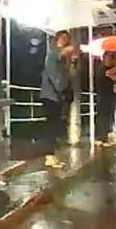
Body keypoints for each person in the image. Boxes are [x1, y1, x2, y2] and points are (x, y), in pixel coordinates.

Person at [39, 30, 74, 168]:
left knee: (54, 124)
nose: (64, 41)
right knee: (51, 125)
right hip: (51, 95)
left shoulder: (61, 59)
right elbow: (55, 77)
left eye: (66, 39)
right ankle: (49, 155)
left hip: (56, 95)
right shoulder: (53, 53)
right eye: (62, 38)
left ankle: (52, 155)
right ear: (57, 39)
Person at [97, 52, 116, 145]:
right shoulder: (102, 69)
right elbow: (111, 73)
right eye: (109, 58)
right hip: (103, 96)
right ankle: (101, 137)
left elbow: (115, 77)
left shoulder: (110, 70)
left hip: (110, 95)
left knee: (108, 116)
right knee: (103, 116)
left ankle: (105, 134)